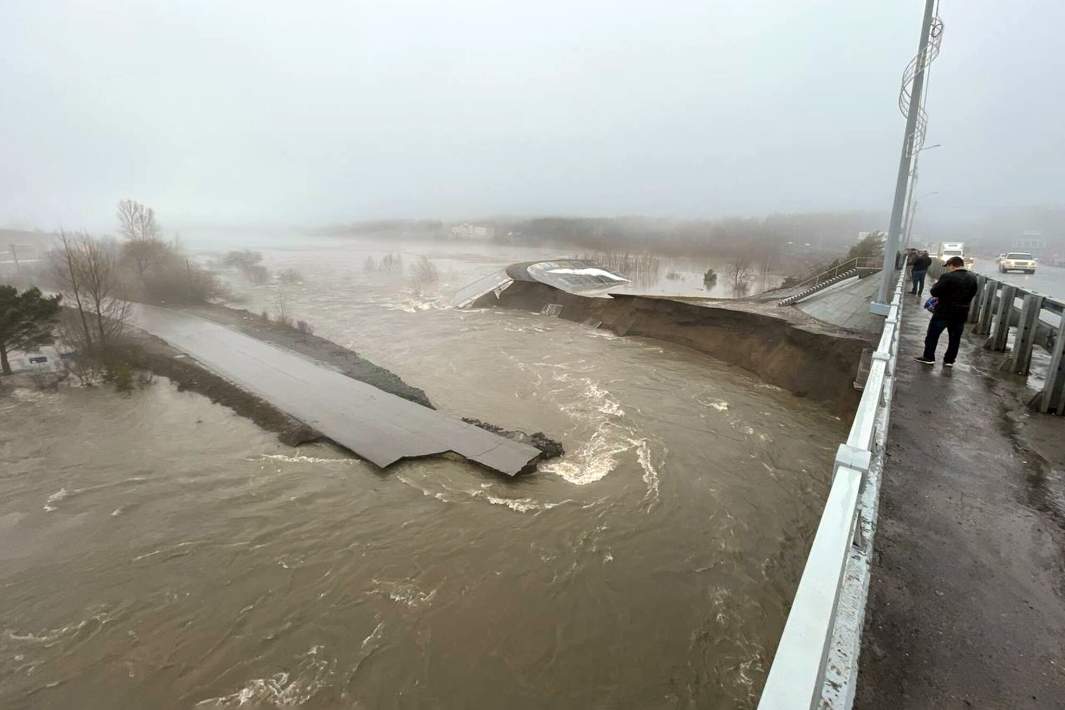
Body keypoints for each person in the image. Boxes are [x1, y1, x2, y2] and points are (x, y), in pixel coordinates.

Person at [915, 256, 979, 368]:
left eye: (948, 266)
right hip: (961, 313)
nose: (948, 269)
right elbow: (973, 293)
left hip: (944, 312)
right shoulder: (972, 277)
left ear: (952, 265)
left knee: (932, 335)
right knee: (955, 338)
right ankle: (949, 360)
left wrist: (936, 285)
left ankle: (929, 357)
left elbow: (934, 292)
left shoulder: (948, 276)